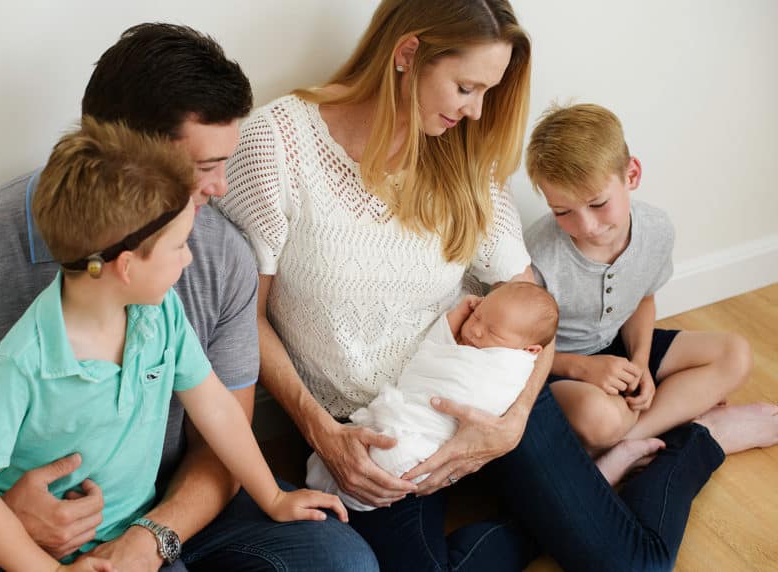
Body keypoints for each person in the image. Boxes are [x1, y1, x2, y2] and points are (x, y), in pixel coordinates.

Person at [216, 1, 778, 570]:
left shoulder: (463, 156)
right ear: (408, 54)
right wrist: (321, 430)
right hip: (378, 432)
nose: (478, 110)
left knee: (638, 565)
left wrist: (511, 424)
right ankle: (600, 477)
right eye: (466, 87)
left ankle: (701, 438)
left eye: (488, 90)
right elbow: (244, 319)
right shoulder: (277, 145)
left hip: (493, 391)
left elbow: (534, 302)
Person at [0, 23, 378, 572]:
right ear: (125, 160)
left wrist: (152, 539)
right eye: (204, 166)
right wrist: (10, 515)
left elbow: (219, 425)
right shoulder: (4, 300)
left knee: (338, 558)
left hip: (165, 506)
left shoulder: (195, 277)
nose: (221, 189)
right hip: (15, 532)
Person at [523, 103, 778, 455]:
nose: (587, 227)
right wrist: (582, 367)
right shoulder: (537, 256)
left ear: (631, 175)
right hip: (558, 366)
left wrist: (640, 361)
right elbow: (515, 348)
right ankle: (669, 425)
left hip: (620, 348)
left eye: (598, 204)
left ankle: (628, 443)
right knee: (601, 418)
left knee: (735, 354)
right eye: (563, 212)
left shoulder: (656, 229)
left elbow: (642, 298)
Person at [307, 282, 558, 511]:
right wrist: (454, 319)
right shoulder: (472, 334)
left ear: (529, 350)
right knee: (359, 446)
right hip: (403, 408)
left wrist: (518, 416)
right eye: (477, 316)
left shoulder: (512, 366)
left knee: (392, 456)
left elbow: (487, 397)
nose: (476, 331)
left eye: (493, 331)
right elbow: (433, 351)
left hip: (430, 437)